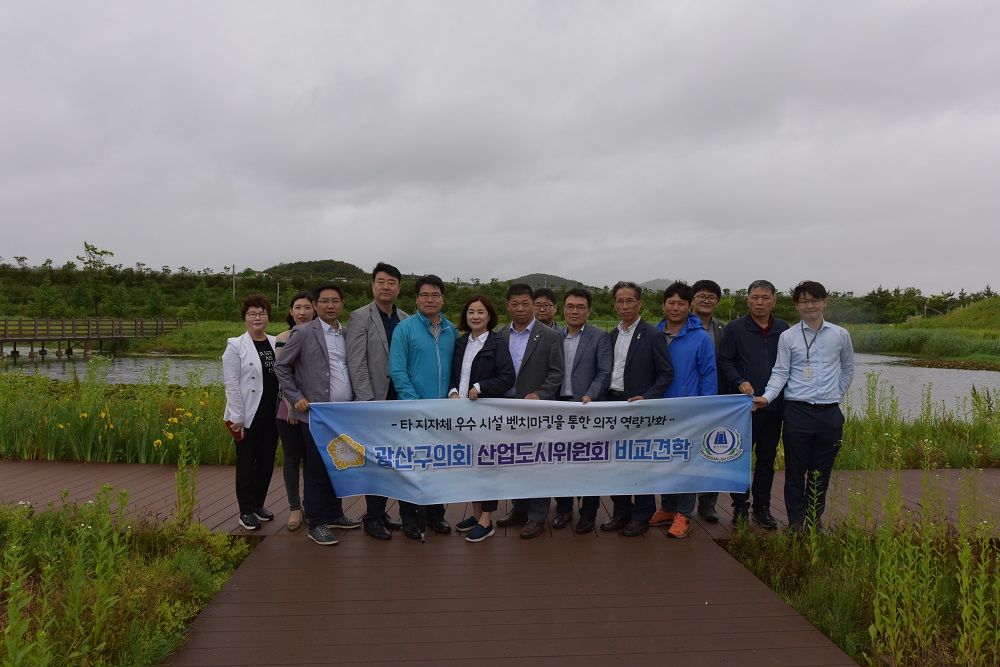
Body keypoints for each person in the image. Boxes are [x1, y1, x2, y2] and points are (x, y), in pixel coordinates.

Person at [753, 281, 855, 532]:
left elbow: (848, 369)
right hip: (797, 411)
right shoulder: (788, 336)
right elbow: (780, 372)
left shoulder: (840, 334)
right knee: (796, 471)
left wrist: (836, 396)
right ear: (797, 306)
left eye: (814, 300)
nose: (809, 306)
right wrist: (767, 397)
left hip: (830, 413)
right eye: (803, 301)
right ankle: (796, 521)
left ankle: (814, 518)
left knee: (821, 471)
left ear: (824, 302)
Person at [274, 282, 362, 546]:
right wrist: (296, 397)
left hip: (344, 413)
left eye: (335, 301)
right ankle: (316, 522)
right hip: (316, 414)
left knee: (339, 464)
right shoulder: (302, 333)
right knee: (316, 469)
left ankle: (335, 514)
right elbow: (281, 368)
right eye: (324, 301)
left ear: (343, 305)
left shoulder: (348, 334)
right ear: (315, 305)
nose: (330, 305)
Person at [600, 281, 673, 537]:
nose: (624, 306)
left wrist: (647, 397)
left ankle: (642, 514)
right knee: (614, 461)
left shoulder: (653, 335)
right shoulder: (612, 334)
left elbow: (666, 374)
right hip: (612, 404)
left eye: (630, 301)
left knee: (638, 461)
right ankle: (621, 511)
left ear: (640, 303)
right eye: (620, 301)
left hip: (637, 407)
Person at [388, 275, 458, 539]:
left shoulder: (451, 330)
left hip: (442, 413)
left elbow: (455, 369)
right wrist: (415, 404)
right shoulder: (404, 329)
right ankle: (409, 517)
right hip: (412, 411)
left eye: (436, 295)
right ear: (416, 299)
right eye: (425, 295)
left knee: (436, 463)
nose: (430, 299)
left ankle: (435, 514)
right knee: (410, 465)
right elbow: (397, 369)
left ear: (442, 298)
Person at [493, 284, 565, 539]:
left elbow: (557, 372)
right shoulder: (500, 335)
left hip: (536, 409)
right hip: (506, 409)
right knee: (512, 461)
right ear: (508, 306)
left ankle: (537, 516)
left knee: (537, 463)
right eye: (515, 304)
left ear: (533, 304)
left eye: (526, 303)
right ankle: (519, 509)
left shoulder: (549, 336)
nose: (521, 309)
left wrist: (541, 394)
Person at [719, 280, 789, 528]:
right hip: (744, 408)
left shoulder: (783, 328)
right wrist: (739, 381)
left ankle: (762, 507)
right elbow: (725, 361)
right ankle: (740, 507)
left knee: (767, 460)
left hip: (773, 406)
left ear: (774, 300)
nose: (760, 303)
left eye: (765, 298)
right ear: (747, 299)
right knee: (740, 459)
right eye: (755, 298)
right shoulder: (736, 328)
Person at [345, 262, 408, 540]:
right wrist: (367, 402)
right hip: (375, 400)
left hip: (401, 399)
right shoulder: (360, 317)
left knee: (396, 459)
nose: (386, 286)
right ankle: (371, 516)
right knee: (375, 460)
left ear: (399, 288)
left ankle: (382, 512)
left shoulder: (406, 318)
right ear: (372, 286)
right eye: (381, 281)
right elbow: (356, 362)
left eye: (391, 282)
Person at [650, 282, 717, 539]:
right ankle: (667, 507)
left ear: (689, 307)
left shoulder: (699, 337)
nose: (675, 307)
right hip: (658, 409)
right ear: (664, 304)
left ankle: (684, 514)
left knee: (686, 462)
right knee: (664, 460)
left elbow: (708, 375)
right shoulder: (654, 333)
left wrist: (704, 409)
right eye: (671, 302)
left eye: (681, 303)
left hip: (688, 410)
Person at [448, 294, 516, 542]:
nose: (475, 316)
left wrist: (480, 386)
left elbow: (508, 378)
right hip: (462, 413)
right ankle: (476, 515)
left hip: (485, 414)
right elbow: (455, 374)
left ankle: (487, 519)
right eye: (471, 312)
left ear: (489, 316)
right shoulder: (461, 342)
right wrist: (453, 390)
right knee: (469, 464)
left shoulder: (497, 343)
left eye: (481, 312)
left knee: (486, 465)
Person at [552, 287, 612, 534]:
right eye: (570, 306)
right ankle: (564, 509)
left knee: (589, 463)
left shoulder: (599, 336)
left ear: (588, 311)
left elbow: (604, 372)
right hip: (557, 408)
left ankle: (588, 513)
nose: (574, 311)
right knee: (560, 460)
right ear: (563, 309)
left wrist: (590, 394)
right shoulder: (553, 335)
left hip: (587, 408)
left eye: (580, 307)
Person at [222, 294, 279, 532]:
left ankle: (258, 504)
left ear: (268, 316)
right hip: (247, 415)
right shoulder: (235, 345)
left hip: (272, 413)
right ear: (244, 318)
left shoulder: (277, 342)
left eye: (262, 313)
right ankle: (246, 510)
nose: (258, 317)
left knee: (266, 462)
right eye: (252, 313)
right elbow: (232, 383)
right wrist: (237, 418)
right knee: (246, 463)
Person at [689, 279, 730, 522]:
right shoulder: (679, 326)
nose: (706, 300)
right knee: (683, 451)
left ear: (717, 302)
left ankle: (707, 504)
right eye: (701, 296)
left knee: (713, 452)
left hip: (717, 400)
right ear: (692, 299)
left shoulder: (725, 330)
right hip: (686, 400)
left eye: (712, 297)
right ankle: (678, 505)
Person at [274, 290, 315, 531]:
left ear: (315, 309)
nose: (302, 312)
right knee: (291, 458)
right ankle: (293, 508)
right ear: (291, 311)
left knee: (312, 460)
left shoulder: (322, 336)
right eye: (297, 307)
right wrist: (291, 407)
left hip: (314, 410)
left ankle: (310, 506)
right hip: (288, 409)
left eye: (307, 307)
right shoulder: (283, 337)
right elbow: (282, 373)